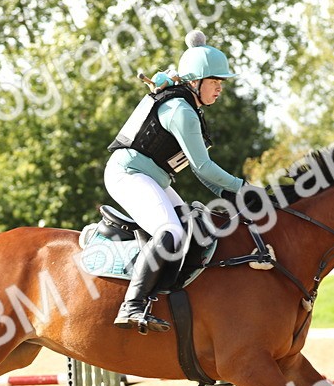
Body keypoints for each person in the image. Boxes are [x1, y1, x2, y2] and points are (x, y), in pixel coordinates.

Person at [105, 30, 246, 332]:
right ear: (195, 81)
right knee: (170, 230)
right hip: (128, 174)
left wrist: (233, 195)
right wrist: (242, 188)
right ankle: (132, 304)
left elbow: (201, 172)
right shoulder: (181, 110)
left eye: (221, 82)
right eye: (215, 81)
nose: (220, 88)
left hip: (153, 178)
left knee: (193, 225)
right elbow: (205, 167)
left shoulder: (189, 107)